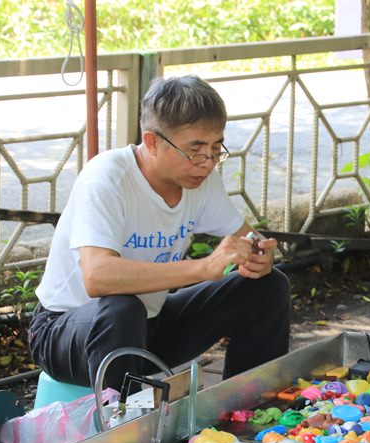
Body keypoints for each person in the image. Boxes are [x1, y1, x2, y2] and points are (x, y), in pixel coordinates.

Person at [30, 75, 290, 391]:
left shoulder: (202, 182)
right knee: (121, 310)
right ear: (152, 142)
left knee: (269, 286)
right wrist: (204, 267)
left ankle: (246, 409)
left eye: (216, 148)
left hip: (148, 327)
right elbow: (97, 277)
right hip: (66, 331)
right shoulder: (107, 178)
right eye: (195, 150)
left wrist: (260, 255)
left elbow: (250, 239)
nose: (207, 163)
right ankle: (126, 429)